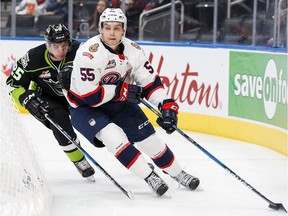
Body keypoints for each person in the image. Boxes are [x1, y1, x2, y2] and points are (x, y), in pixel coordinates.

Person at [58, 8, 200, 197]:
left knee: (150, 141)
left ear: (124, 30)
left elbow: (150, 81)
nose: (111, 33)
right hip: (84, 107)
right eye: (107, 28)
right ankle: (149, 176)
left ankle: (178, 173)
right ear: (100, 29)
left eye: (117, 28)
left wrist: (166, 105)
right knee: (113, 136)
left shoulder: (133, 50)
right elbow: (90, 96)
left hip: (118, 102)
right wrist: (122, 90)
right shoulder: (88, 54)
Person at [6, 24, 95, 182]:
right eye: (55, 46)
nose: (61, 50)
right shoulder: (32, 59)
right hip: (48, 99)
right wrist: (26, 97)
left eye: (64, 45)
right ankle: (79, 160)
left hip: (78, 96)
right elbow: (12, 85)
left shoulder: (81, 51)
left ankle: (128, 156)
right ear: (47, 44)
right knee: (59, 121)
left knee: (100, 128)